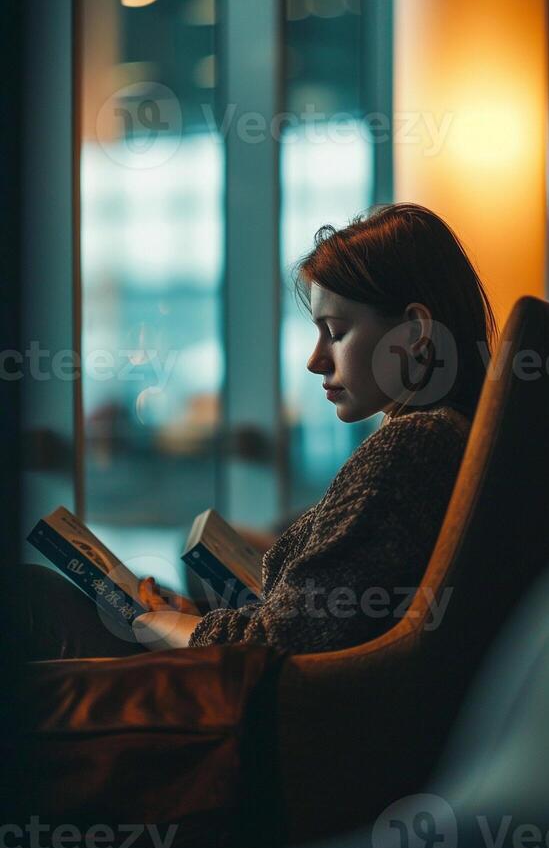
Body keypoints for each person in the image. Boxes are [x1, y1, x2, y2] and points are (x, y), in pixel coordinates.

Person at [21, 202, 498, 658]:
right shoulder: (449, 438)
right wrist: (197, 618)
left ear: (413, 334)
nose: (315, 361)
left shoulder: (412, 446)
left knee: (33, 598)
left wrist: (179, 627)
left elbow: (288, 636)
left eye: (335, 332)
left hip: (264, 698)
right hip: (288, 678)